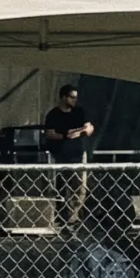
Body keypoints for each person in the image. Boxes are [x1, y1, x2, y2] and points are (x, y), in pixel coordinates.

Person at [44, 84, 95, 228]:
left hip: (78, 153)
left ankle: (75, 216)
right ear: (63, 97)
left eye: (76, 97)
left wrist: (79, 132)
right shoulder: (53, 114)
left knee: (80, 186)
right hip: (61, 154)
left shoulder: (79, 112)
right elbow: (50, 133)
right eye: (72, 97)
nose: (75, 100)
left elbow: (89, 128)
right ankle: (62, 215)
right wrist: (66, 135)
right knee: (62, 185)